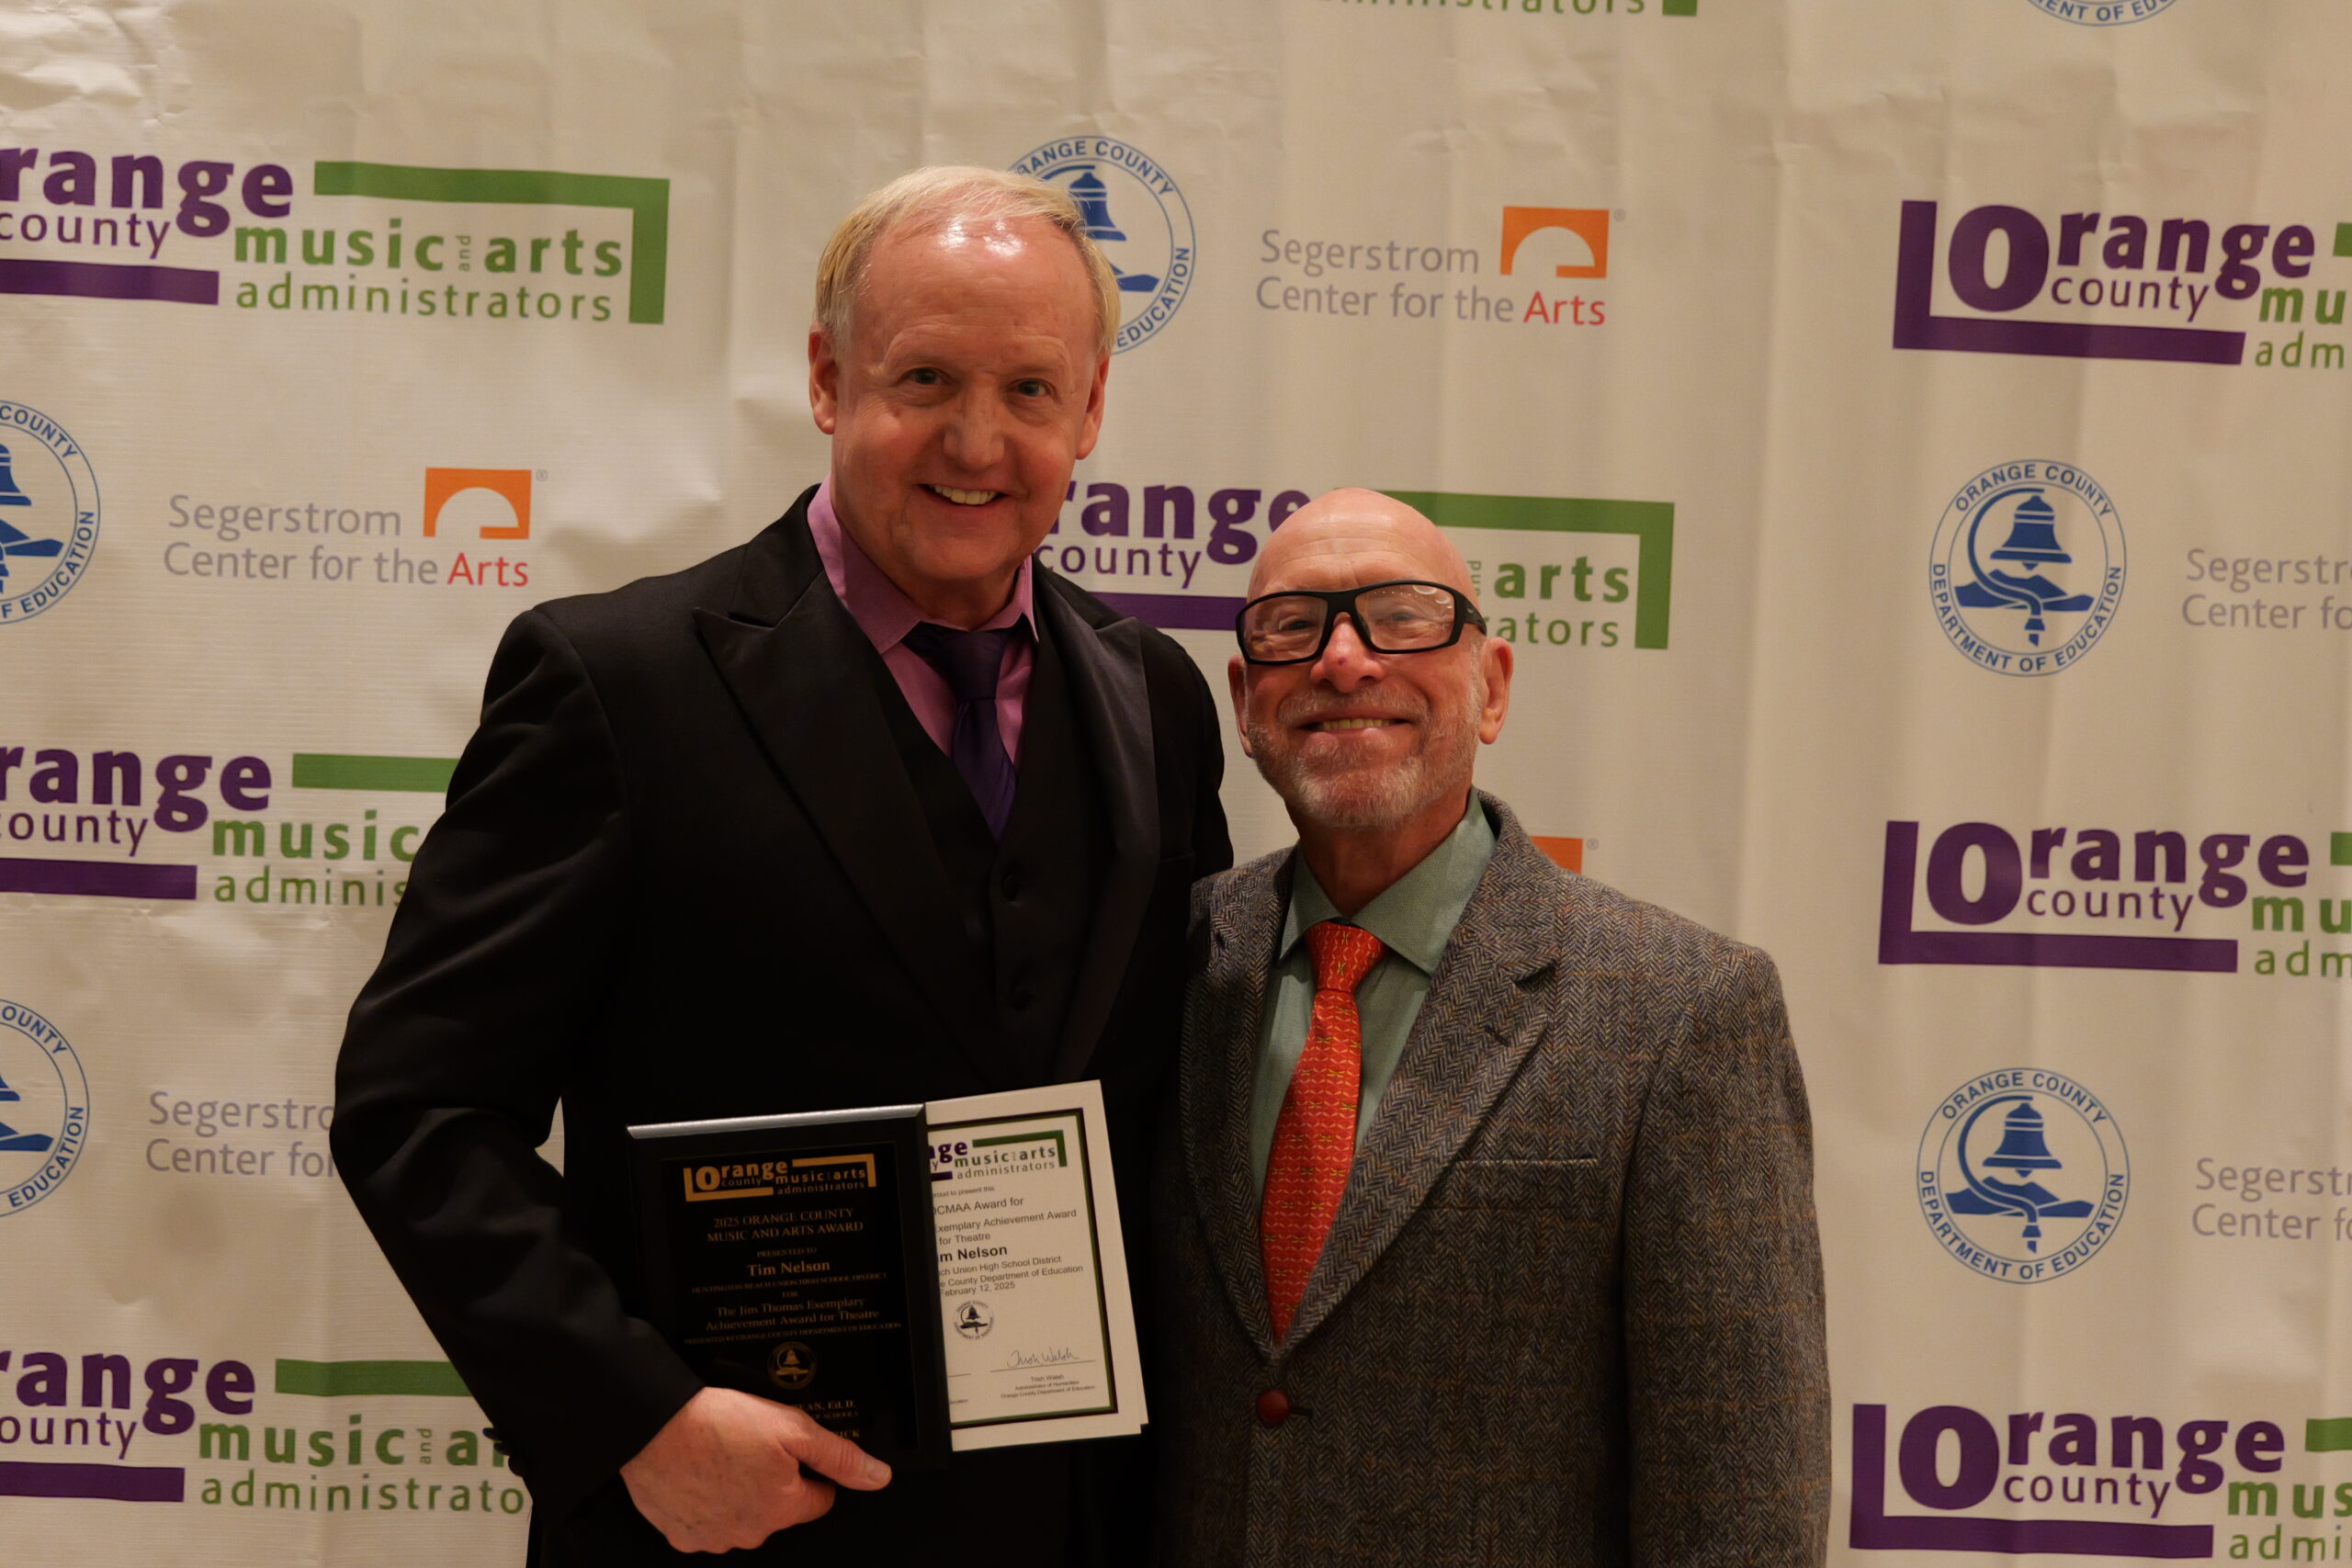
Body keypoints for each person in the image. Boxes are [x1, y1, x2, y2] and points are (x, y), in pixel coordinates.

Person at [331, 166, 1232, 1567]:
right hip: (731, 1531)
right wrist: (641, 1417)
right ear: (827, 379)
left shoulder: (1156, 697)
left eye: (1031, 390)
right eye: (924, 376)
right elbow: (419, 1110)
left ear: (1094, 408)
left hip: (1077, 1523)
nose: (978, 440)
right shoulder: (616, 684)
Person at [1156, 489, 1828, 1564]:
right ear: (1244, 702)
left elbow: (1739, 1501)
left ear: (1493, 685)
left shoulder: (1683, 1010)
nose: (1343, 660)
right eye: (1293, 626)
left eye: (1405, 616)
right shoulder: (1171, 962)